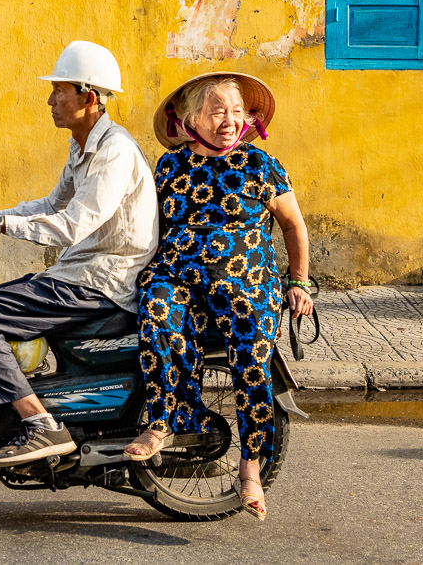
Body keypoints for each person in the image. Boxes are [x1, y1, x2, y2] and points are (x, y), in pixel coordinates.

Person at [0, 41, 159, 468]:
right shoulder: (83, 146)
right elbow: (50, 204)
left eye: (59, 91)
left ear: (88, 97)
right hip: (79, 274)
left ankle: (41, 425)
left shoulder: (114, 151)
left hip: (100, 283)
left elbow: (72, 225)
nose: (50, 100)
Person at [123, 72, 313, 521]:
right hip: (178, 273)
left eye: (236, 112)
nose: (229, 121)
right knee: (157, 310)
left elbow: (293, 226)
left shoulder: (260, 164)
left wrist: (299, 282)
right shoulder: (170, 167)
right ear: (192, 118)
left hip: (245, 280)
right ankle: (163, 422)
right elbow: (145, 227)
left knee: (251, 354)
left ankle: (250, 468)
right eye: (217, 111)